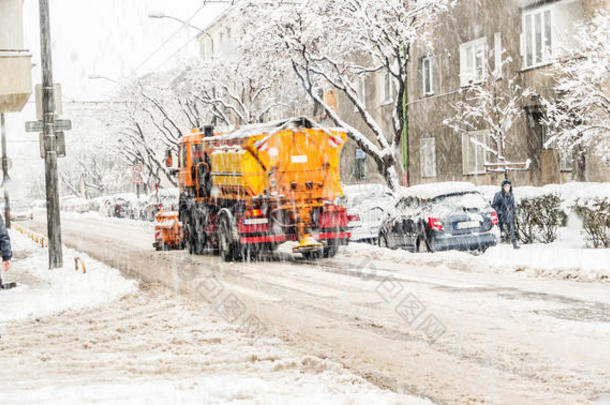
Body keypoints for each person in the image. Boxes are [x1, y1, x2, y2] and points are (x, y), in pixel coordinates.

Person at [492, 179, 520, 249]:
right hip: (500, 216)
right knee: (500, 230)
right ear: (503, 187)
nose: (507, 188)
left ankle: (514, 244)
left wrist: (513, 213)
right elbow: (494, 205)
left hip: (508, 215)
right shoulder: (498, 195)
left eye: (508, 186)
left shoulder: (511, 195)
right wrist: (499, 211)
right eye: (505, 186)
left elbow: (512, 205)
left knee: (511, 229)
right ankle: (498, 244)